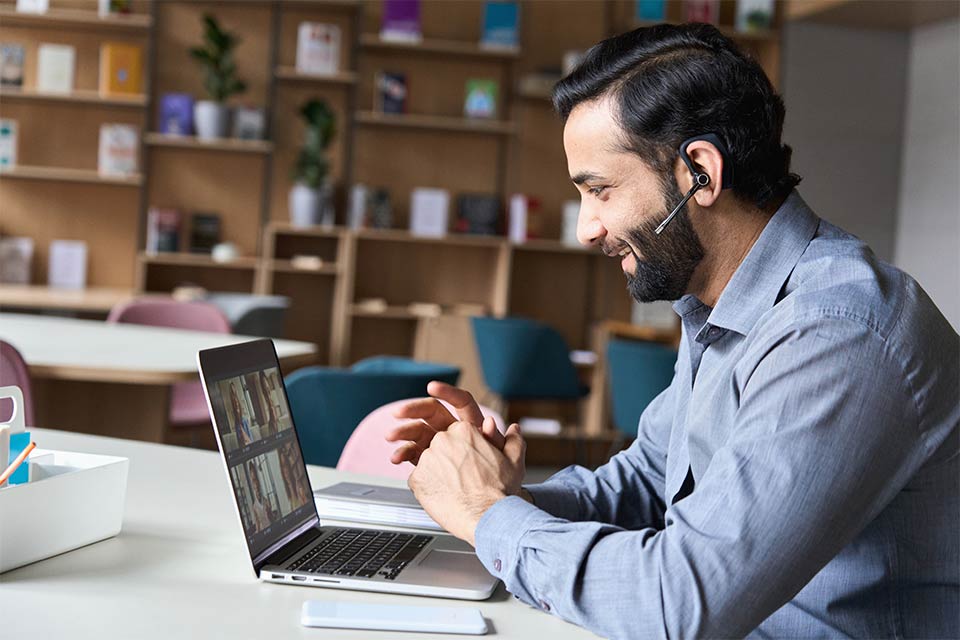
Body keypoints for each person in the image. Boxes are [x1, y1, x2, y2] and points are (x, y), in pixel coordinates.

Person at [387, 23, 959, 639]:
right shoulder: (719, 306)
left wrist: (487, 514)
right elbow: (646, 484)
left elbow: (681, 606)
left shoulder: (837, 332)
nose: (587, 228)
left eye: (600, 190)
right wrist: (495, 492)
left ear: (700, 173)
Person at [247, 460, 272, 532]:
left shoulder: (266, 501)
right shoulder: (254, 507)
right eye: (253, 480)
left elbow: (273, 520)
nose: (255, 483)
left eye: (256, 479)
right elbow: (257, 527)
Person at [228, 382, 254, 447]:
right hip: (239, 422)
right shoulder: (233, 399)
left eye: (234, 387)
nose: (233, 389)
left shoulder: (237, 398)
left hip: (242, 420)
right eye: (232, 388)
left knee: (248, 437)